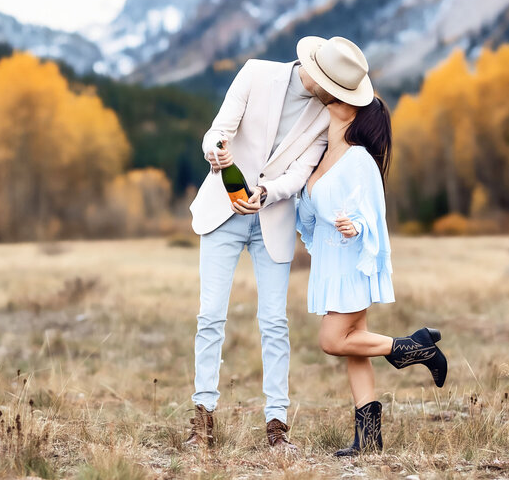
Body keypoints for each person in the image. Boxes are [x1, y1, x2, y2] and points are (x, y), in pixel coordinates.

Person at [187, 37, 371, 450]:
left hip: (273, 219)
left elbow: (302, 171)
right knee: (210, 315)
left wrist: (268, 192)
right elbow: (219, 130)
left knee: (274, 322)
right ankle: (202, 424)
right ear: (321, 75)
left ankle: (276, 427)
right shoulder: (255, 72)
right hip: (223, 212)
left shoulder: (325, 117)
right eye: (336, 90)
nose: (337, 99)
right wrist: (214, 151)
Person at [295, 36, 448, 457]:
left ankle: (414, 347)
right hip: (331, 264)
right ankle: (370, 440)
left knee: (332, 340)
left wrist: (355, 225)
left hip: (351, 265)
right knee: (353, 346)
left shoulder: (359, 160)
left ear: (349, 107)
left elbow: (373, 215)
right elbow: (308, 214)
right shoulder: (322, 152)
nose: (325, 97)